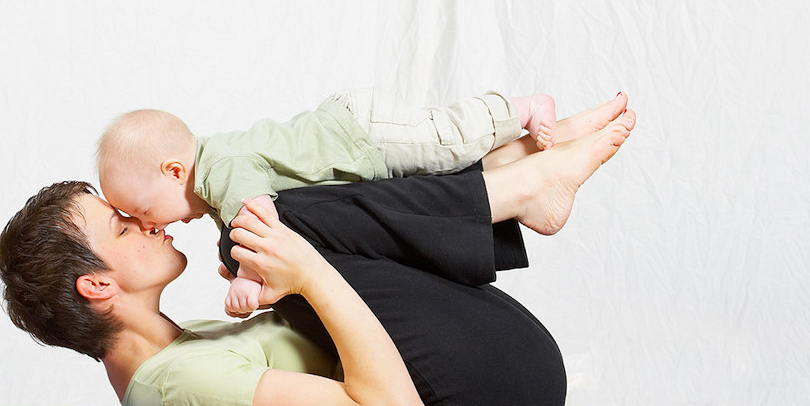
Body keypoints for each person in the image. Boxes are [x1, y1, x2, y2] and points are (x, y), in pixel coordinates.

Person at [0, 94, 635, 406]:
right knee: (257, 226)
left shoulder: (179, 355)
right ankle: (515, 181)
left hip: (491, 386)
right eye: (120, 223)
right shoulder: (180, 388)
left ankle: (514, 168)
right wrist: (306, 274)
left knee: (261, 222)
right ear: (98, 283)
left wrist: (289, 282)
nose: (144, 221)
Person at [96, 88, 562, 317]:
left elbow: (258, 214)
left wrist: (250, 275)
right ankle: (529, 176)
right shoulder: (216, 179)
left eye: (141, 211)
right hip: (358, 148)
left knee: (446, 141)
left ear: (175, 172)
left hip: (361, 136)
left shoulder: (219, 166)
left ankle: (523, 107)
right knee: (446, 172)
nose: (146, 223)